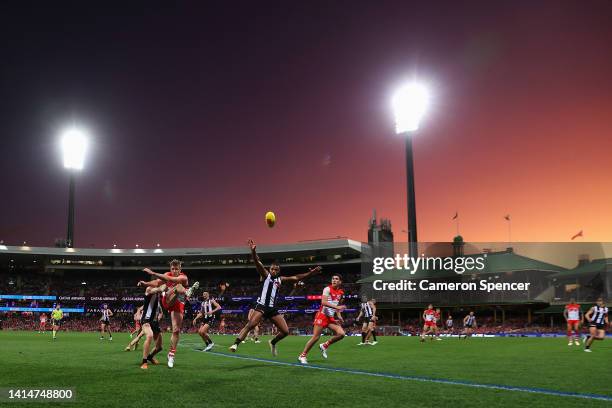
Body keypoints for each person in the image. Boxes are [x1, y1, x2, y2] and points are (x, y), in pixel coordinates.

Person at [229, 239, 322, 356]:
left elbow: (296, 278)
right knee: (250, 325)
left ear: (278, 271)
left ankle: (272, 342)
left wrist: (311, 273)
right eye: (272, 268)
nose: (273, 270)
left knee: (285, 331)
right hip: (262, 306)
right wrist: (253, 252)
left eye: (276, 269)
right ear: (269, 269)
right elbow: (257, 263)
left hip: (272, 309)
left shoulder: (280, 279)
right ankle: (236, 344)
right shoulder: (265, 275)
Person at [140, 259, 197, 368]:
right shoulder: (166, 275)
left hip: (178, 302)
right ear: (170, 269)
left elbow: (171, 279)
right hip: (167, 300)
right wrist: (146, 283)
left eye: (177, 269)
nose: (175, 270)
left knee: (176, 330)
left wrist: (153, 273)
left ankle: (171, 354)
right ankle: (186, 292)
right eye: (173, 269)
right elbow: (157, 282)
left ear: (180, 269)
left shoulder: (183, 277)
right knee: (176, 287)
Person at [298, 274, 345, 364]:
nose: (334, 280)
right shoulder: (327, 289)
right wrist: (337, 307)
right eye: (333, 278)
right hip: (322, 316)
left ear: (340, 282)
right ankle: (302, 355)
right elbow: (323, 302)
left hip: (330, 318)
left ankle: (324, 345)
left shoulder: (341, 293)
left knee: (341, 334)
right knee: (316, 337)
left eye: (336, 279)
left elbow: (337, 306)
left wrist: (339, 315)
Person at [138, 284, 166, 369]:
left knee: (159, 347)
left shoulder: (158, 297)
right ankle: (144, 362)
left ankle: (150, 356)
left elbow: (161, 308)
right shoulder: (149, 289)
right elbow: (161, 289)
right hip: (146, 320)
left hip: (155, 322)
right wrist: (167, 283)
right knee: (149, 336)